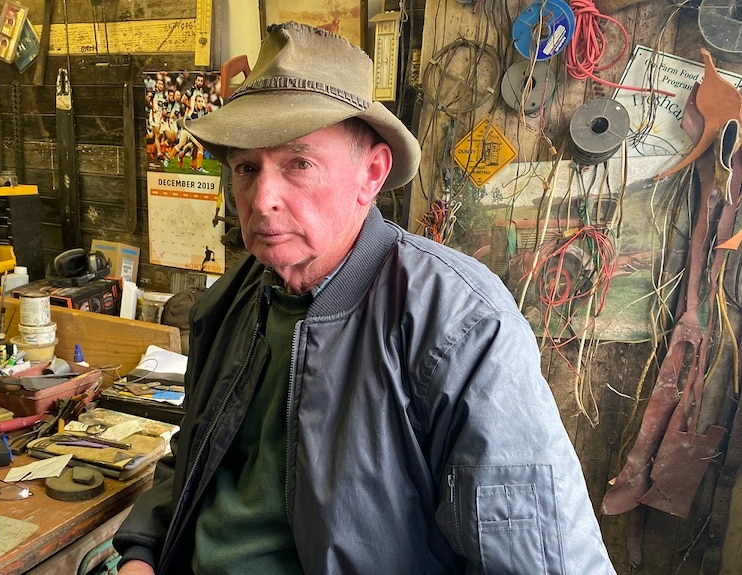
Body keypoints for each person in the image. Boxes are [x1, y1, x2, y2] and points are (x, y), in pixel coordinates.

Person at [114, 21, 616, 575]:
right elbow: (192, 454)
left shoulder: (459, 324)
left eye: (298, 164)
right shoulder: (233, 299)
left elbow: (538, 557)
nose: (262, 199)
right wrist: (142, 551)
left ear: (371, 174)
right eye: (246, 168)